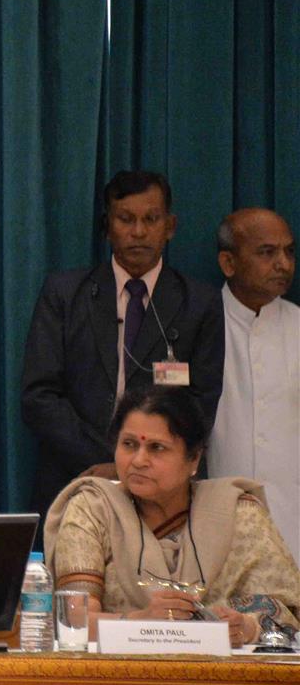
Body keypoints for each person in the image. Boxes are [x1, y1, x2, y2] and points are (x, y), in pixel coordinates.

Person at [21, 170, 224, 518]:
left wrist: (134, 464)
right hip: (76, 478)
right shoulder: (65, 294)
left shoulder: (199, 302)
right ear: (107, 225)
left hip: (164, 491)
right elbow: (39, 397)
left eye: (151, 219)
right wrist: (110, 461)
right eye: (126, 219)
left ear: (170, 226)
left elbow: (200, 403)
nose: (139, 232)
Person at [45, 386, 300, 647]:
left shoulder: (239, 514)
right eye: (129, 444)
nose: (139, 460)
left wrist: (246, 627)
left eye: (157, 448)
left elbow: (288, 612)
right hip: (118, 678)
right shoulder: (92, 510)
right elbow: (73, 620)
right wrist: (142, 622)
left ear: (194, 459)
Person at [209, 208, 299, 560]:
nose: (284, 264)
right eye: (267, 252)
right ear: (228, 263)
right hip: (219, 526)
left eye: (289, 252)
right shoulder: (198, 324)